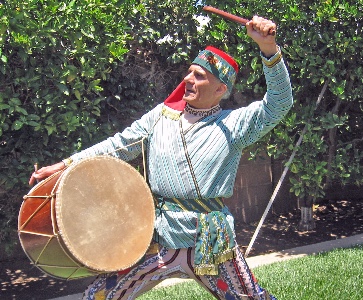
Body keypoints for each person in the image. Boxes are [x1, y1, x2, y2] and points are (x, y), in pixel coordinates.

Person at [29, 16, 293, 300]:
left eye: (199, 76)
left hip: (210, 241)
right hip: (157, 237)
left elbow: (279, 103)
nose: (188, 80)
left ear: (220, 89)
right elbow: (117, 145)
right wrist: (66, 165)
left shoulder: (236, 125)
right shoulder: (160, 117)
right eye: (189, 72)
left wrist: (268, 48)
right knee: (99, 296)